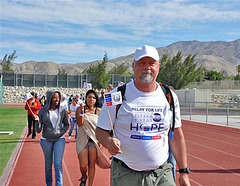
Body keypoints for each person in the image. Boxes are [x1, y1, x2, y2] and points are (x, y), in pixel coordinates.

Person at [96, 45, 191, 186]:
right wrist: (109, 142)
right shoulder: (116, 95)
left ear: (158, 66)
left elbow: (176, 135)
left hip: (161, 174)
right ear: (134, 66)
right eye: (142, 63)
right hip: (125, 174)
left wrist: (183, 172)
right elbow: (100, 131)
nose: (147, 67)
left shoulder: (169, 96)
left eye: (151, 63)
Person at [35, 90, 69, 186]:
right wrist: (37, 122)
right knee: (48, 165)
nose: (56, 100)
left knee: (58, 164)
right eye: (54, 98)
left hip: (59, 139)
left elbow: (66, 124)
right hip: (46, 140)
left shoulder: (62, 110)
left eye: (58, 98)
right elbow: (38, 130)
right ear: (49, 98)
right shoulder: (42, 111)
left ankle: (59, 184)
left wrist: (62, 132)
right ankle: (49, 183)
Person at [75, 89, 101, 186]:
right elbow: (80, 123)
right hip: (82, 140)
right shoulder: (80, 109)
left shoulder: (98, 111)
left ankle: (90, 184)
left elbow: (101, 127)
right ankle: (84, 176)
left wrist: (101, 142)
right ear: (86, 98)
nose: (91, 99)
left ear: (96, 99)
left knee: (92, 164)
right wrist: (82, 112)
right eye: (89, 97)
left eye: (94, 98)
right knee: (83, 165)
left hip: (94, 140)